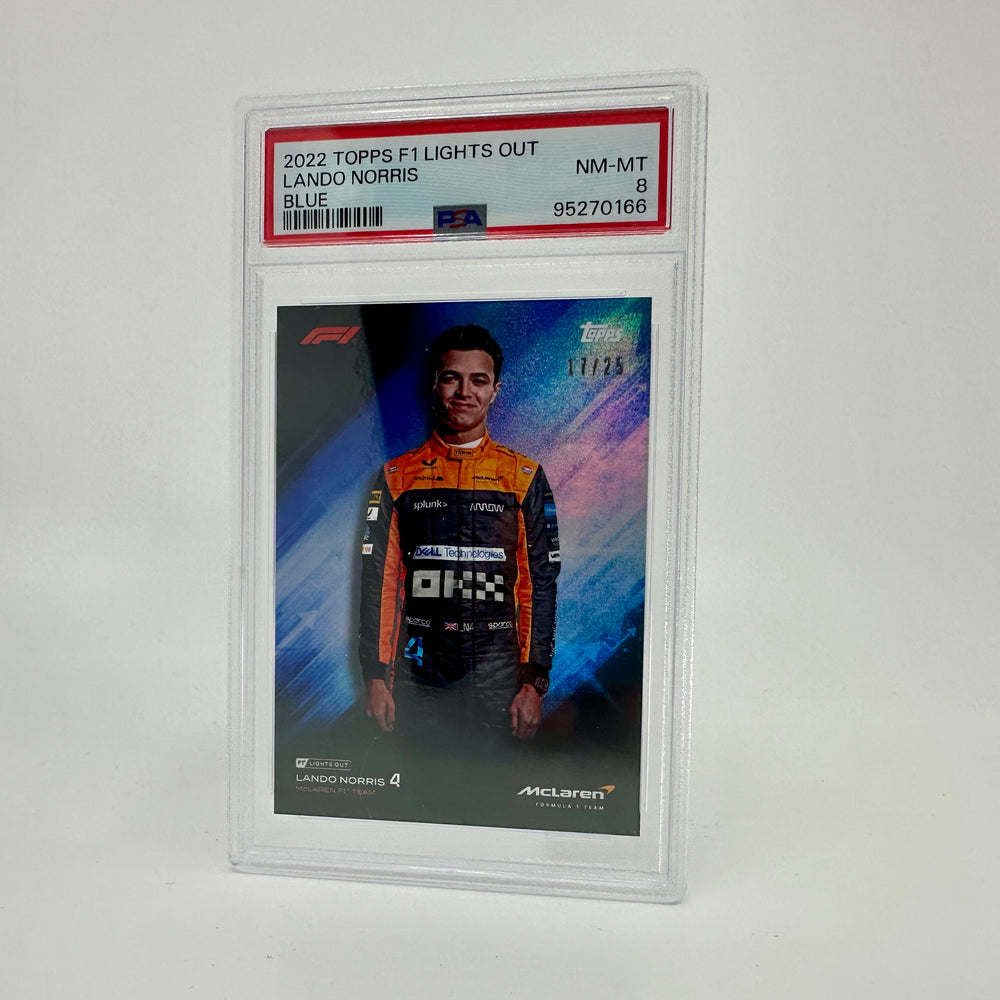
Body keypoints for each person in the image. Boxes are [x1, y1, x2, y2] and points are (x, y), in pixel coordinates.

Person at [358, 325, 560, 741]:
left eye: (478, 380)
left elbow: (539, 584)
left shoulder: (523, 476)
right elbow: (379, 581)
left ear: (495, 391)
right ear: (434, 384)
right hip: (418, 681)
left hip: (500, 683)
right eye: (452, 377)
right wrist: (376, 678)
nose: (464, 391)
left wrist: (533, 683)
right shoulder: (396, 477)